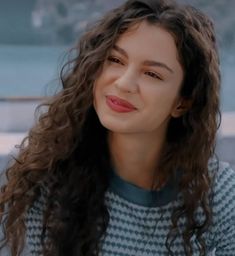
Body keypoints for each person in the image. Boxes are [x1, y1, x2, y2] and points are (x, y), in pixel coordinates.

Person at [1, 0, 235, 255]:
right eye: (115, 59)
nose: (124, 83)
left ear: (182, 103)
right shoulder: (46, 186)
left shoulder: (220, 196)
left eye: (152, 74)